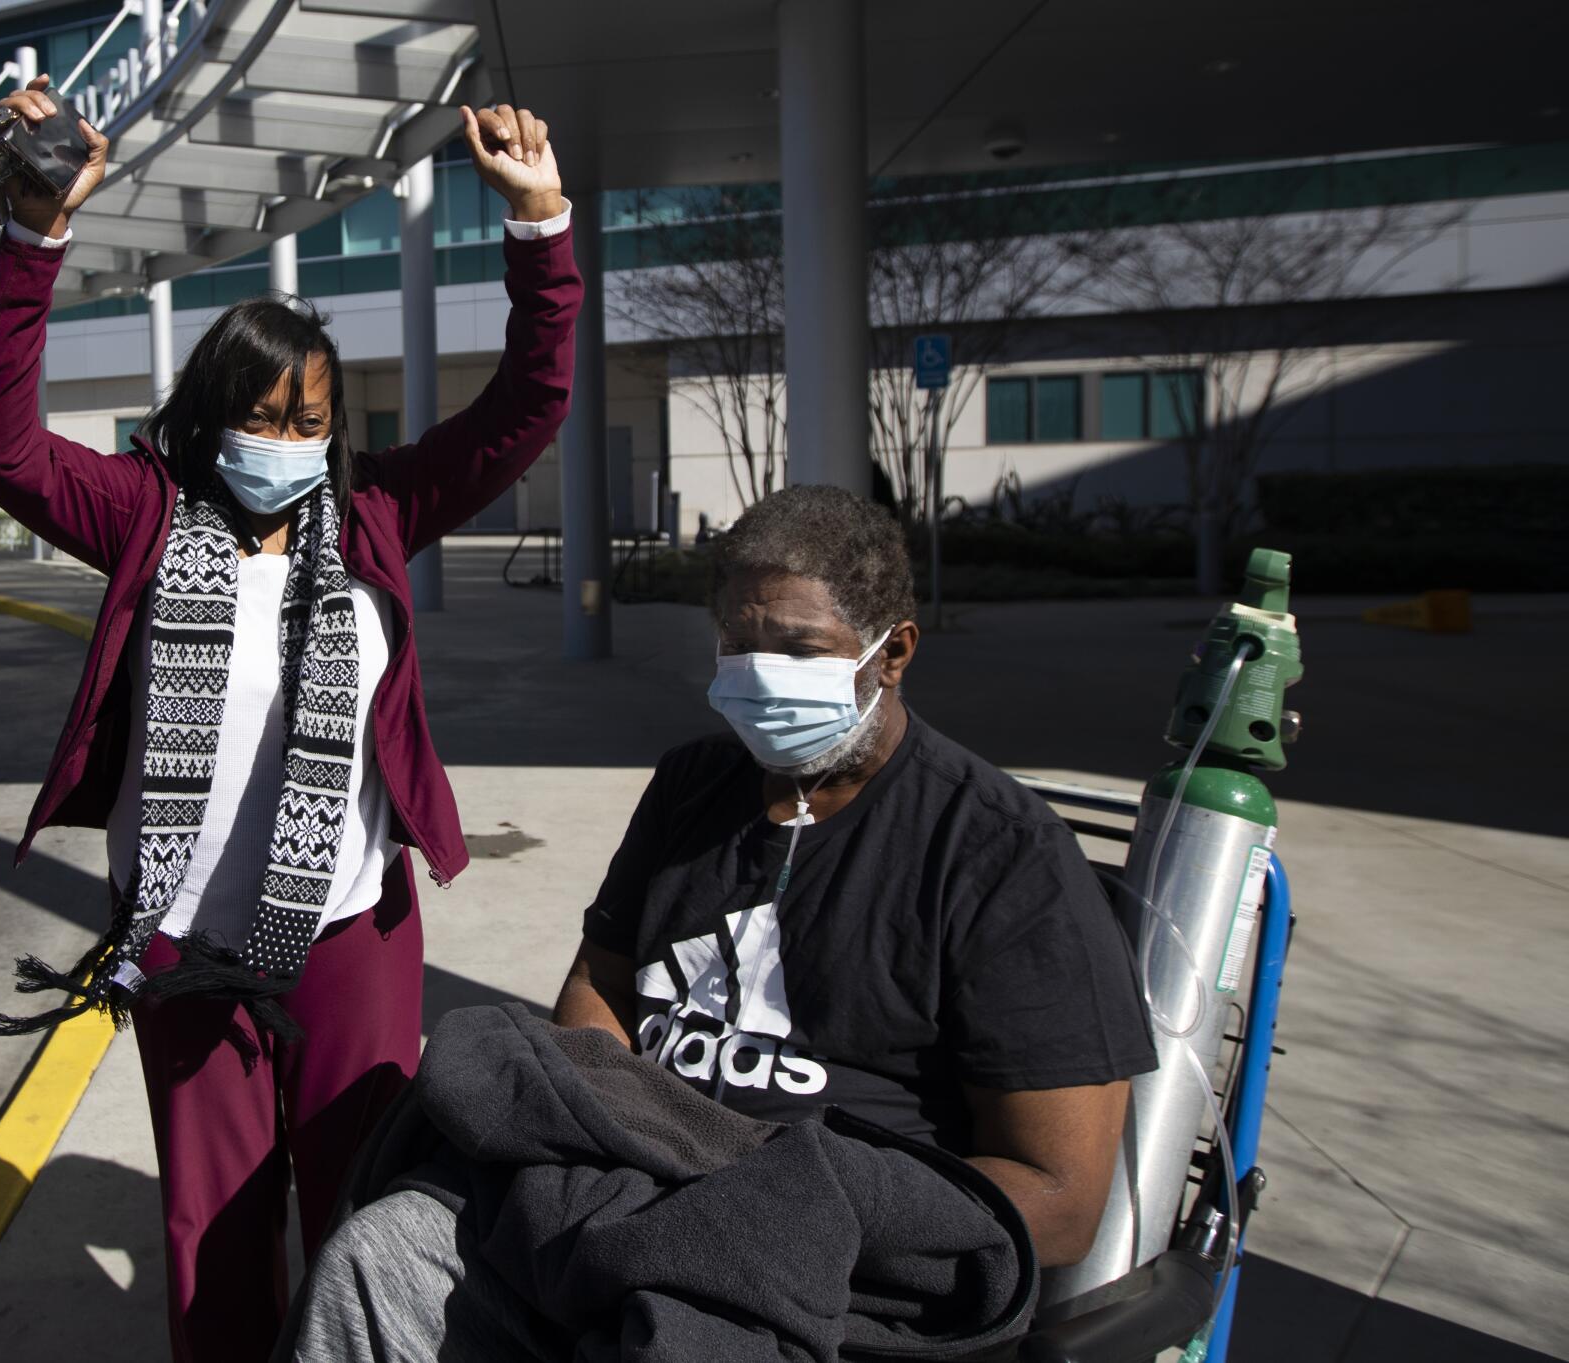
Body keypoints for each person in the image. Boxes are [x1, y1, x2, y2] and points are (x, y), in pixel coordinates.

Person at [0, 75, 581, 1363]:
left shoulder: (373, 516)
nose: (282, 441)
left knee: (359, 1208)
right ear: (204, 415)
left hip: (352, 932)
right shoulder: (138, 512)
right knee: (212, 1224)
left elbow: (529, 406)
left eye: (307, 421)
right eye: (256, 415)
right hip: (183, 946)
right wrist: (31, 240)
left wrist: (539, 228)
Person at [282, 485, 1158, 1360]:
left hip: (816, 1273)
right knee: (376, 1256)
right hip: (624, 1199)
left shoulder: (1003, 859)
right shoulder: (694, 787)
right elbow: (602, 981)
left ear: (893, 654)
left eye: (799, 647)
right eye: (739, 644)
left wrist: (791, 1208)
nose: (759, 671)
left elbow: (1063, 1198)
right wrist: (601, 1133)